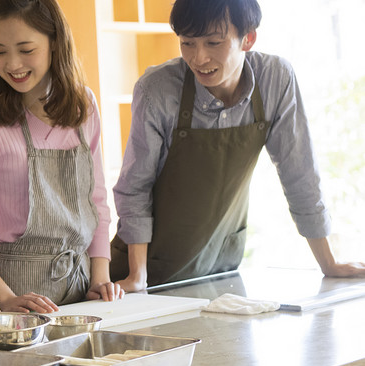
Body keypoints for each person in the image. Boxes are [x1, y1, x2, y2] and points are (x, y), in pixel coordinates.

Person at [110, 0, 365, 291]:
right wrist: (138, 277)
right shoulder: (157, 89)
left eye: (214, 42)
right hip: (146, 272)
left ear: (248, 38)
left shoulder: (275, 79)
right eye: (187, 43)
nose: (199, 58)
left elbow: (299, 173)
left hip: (219, 272)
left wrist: (328, 264)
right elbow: (135, 188)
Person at [0, 0, 124, 313]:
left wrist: (99, 278)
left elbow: (96, 200)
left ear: (55, 43)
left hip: (82, 288)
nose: (12, 64)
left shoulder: (84, 105)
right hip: (15, 296)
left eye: (26, 49)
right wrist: (5, 298)